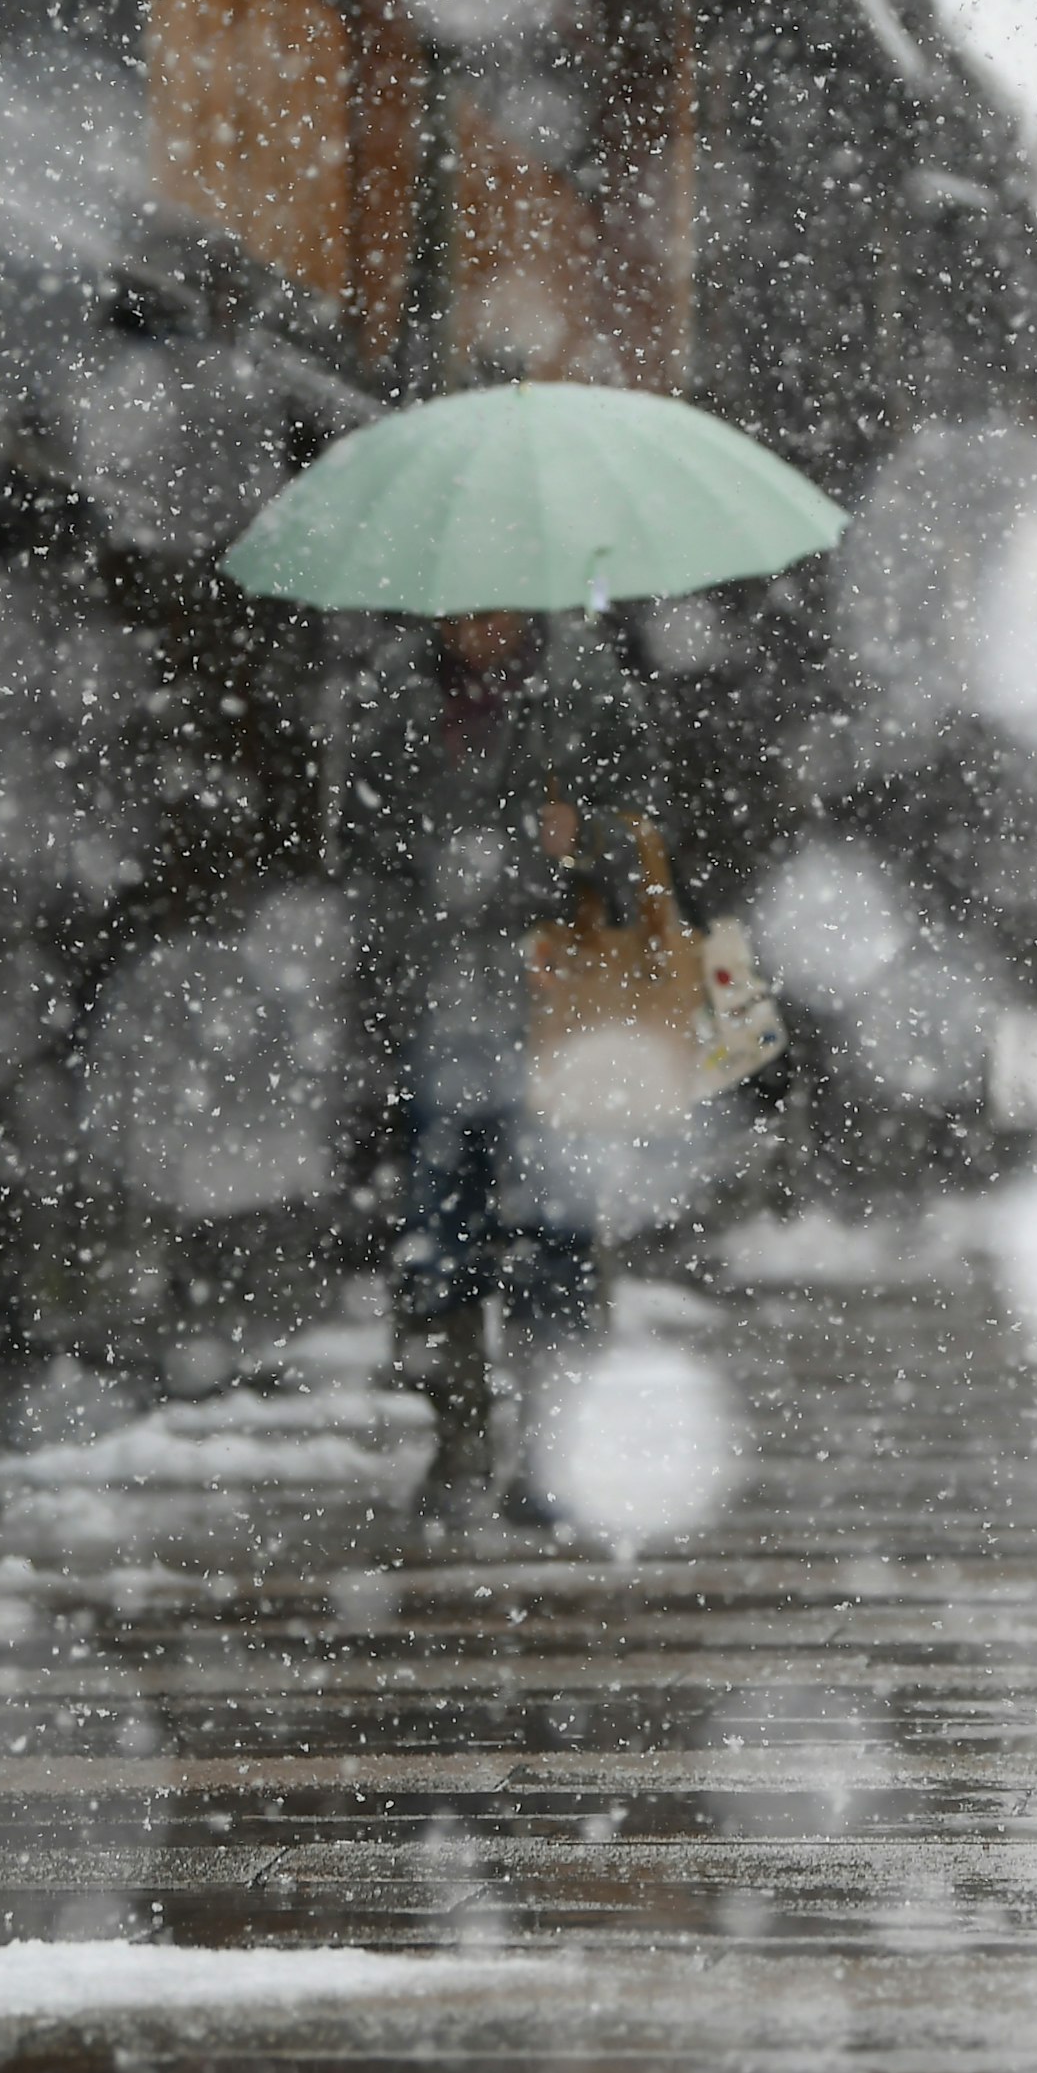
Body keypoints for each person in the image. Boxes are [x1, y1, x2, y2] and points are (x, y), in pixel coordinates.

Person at [338, 607, 663, 1525]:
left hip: (554, 1017)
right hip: (439, 1015)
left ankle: (557, 1448)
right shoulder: (396, 701)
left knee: (556, 1239)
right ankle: (459, 1434)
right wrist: (417, 925)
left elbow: (646, 843)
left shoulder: (588, 691)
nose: (479, 622)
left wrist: (585, 840)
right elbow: (362, 858)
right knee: (443, 1239)